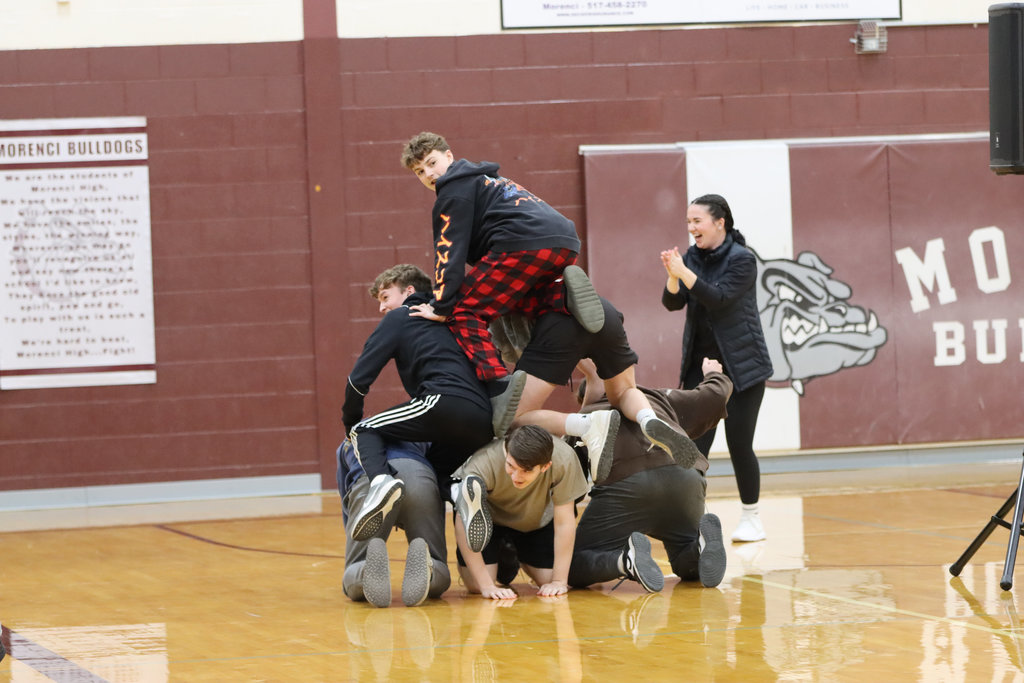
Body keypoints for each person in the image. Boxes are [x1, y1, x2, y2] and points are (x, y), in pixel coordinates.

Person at [399, 131, 605, 392]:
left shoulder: (452, 191)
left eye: (431, 163)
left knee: (462, 309)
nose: (428, 174)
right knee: (512, 301)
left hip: (522, 245)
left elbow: (448, 253)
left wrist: (440, 306)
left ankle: (498, 386)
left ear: (449, 156)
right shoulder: (485, 179)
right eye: (419, 171)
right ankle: (560, 297)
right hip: (563, 242)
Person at [343, 264, 525, 542]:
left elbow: (358, 381)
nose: (381, 308)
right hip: (481, 421)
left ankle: (381, 485)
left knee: (363, 430)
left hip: (443, 401)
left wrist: (350, 422)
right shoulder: (452, 318)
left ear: (409, 291)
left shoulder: (401, 317)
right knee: (436, 469)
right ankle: (458, 490)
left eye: (385, 297)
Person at [660, 193, 774, 543]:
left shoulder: (743, 260)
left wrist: (684, 273)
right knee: (694, 448)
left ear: (719, 222)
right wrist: (673, 276)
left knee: (740, 444)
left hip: (742, 367)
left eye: (698, 221)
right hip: (701, 368)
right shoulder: (691, 257)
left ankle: (752, 518)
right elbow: (672, 302)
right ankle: (693, 522)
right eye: (688, 222)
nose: (692, 228)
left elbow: (720, 299)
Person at [567, 356, 733, 591]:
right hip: (685, 477)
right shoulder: (654, 397)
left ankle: (625, 561)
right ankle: (697, 549)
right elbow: (713, 398)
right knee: (686, 562)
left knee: (572, 566)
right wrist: (713, 375)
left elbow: (567, 490)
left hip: (627, 487)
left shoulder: (582, 420)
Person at [492, 297, 704, 481]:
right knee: (623, 392)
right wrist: (580, 426)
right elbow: (594, 379)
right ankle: (648, 419)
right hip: (604, 312)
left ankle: (587, 426)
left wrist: (583, 426)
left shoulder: (516, 312)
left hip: (559, 319)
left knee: (515, 418)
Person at [450, 424, 589, 600]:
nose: (516, 476)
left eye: (526, 470)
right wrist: (487, 586)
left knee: (550, 579)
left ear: (545, 467)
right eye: (511, 466)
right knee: (475, 586)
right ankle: (504, 560)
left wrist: (559, 581)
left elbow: (564, 522)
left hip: (535, 521)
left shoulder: (564, 459)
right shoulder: (482, 463)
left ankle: (515, 554)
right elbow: (463, 523)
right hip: (490, 523)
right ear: (506, 452)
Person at [337, 438, 450, 607]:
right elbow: (440, 475)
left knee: (353, 571)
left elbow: (346, 495)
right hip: (418, 476)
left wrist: (356, 539)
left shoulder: (348, 441)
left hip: (370, 481)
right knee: (437, 563)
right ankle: (431, 568)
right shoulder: (418, 431)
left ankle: (364, 571)